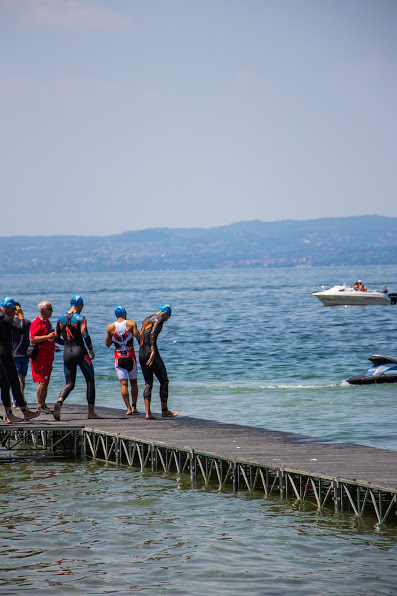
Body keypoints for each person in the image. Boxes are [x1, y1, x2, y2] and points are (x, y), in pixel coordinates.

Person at [54, 295, 100, 421]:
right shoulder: (81, 318)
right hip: (80, 352)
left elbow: (56, 337)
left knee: (69, 383)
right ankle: (91, 412)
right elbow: (86, 336)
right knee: (90, 380)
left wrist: (66, 344)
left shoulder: (60, 318)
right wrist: (91, 350)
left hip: (67, 354)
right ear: (81, 305)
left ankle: (59, 402)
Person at [0, 297, 40, 422]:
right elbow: (22, 329)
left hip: (5, 355)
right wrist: (21, 315)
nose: (14, 314)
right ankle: (12, 414)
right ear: (9, 309)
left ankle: (21, 412)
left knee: (10, 384)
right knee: (10, 384)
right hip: (4, 356)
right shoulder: (4, 318)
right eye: (13, 311)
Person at [139, 304, 177, 420]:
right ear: (164, 313)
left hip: (141, 353)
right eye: (168, 317)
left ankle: (147, 413)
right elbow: (153, 334)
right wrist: (153, 350)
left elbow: (141, 335)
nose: (167, 319)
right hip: (151, 353)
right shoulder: (159, 319)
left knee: (148, 382)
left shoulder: (147, 318)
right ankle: (164, 411)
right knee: (164, 381)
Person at [106, 305, 141, 415]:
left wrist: (115, 338)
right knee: (133, 383)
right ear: (124, 313)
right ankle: (134, 407)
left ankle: (128, 408)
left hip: (119, 359)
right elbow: (138, 337)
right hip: (131, 358)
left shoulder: (110, 327)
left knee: (123, 384)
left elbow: (107, 344)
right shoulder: (131, 324)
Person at [30, 301, 56, 414]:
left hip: (48, 356)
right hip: (40, 357)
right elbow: (33, 339)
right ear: (42, 310)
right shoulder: (37, 322)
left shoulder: (47, 322)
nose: (52, 311)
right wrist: (47, 337)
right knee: (42, 381)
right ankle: (39, 405)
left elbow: (48, 338)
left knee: (46, 381)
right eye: (49, 309)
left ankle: (43, 404)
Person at [12, 301, 31, 399]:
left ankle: (18, 398)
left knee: (19, 378)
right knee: (21, 378)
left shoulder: (9, 322)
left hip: (15, 354)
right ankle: (19, 399)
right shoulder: (27, 322)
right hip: (23, 354)